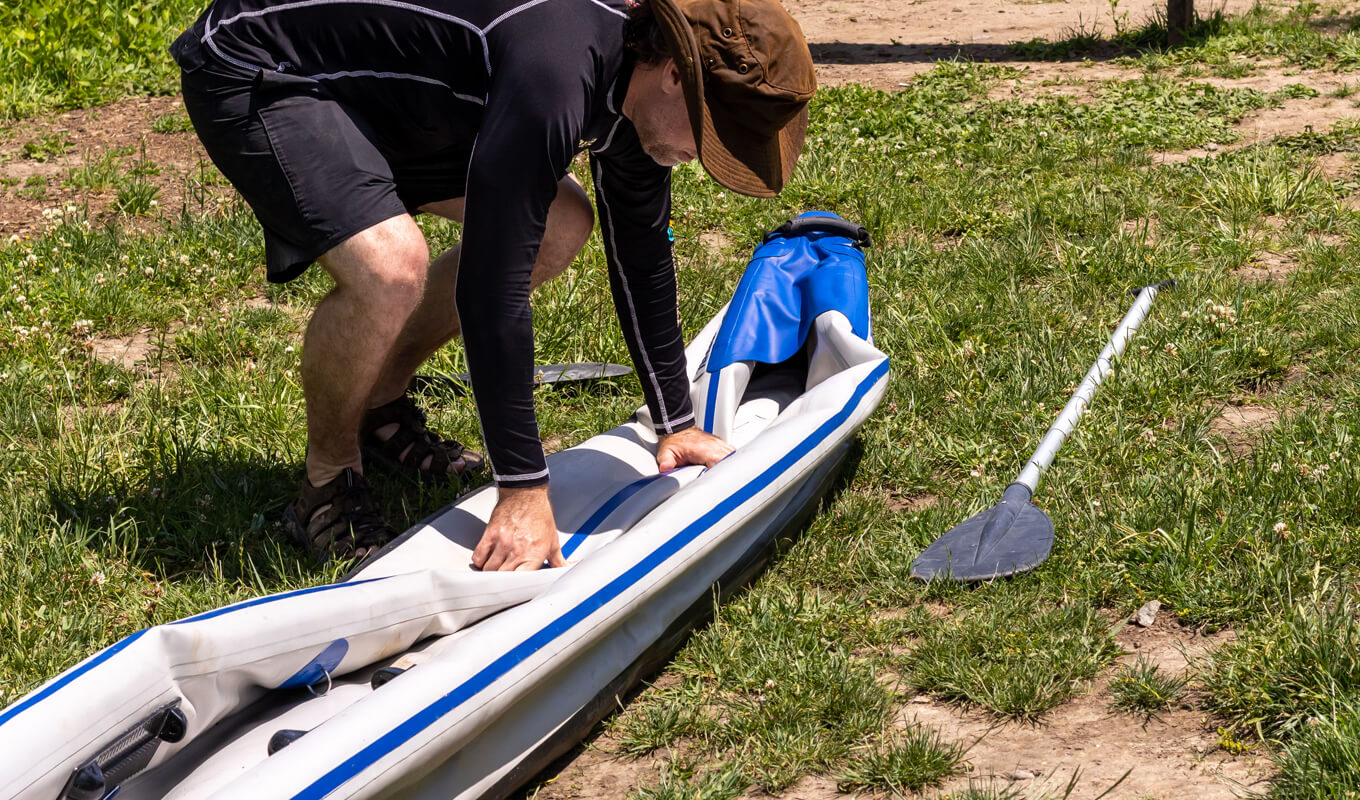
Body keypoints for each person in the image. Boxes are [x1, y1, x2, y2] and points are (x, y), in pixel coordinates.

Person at [169, 0, 817, 570]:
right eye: (711, 138)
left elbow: (642, 255)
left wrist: (676, 420)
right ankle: (327, 483)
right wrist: (522, 488)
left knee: (561, 225)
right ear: (676, 73)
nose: (703, 159)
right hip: (264, 66)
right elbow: (492, 285)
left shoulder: (633, 82)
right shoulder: (557, 65)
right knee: (391, 269)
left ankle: (379, 406)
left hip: (394, 95)